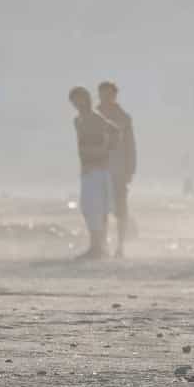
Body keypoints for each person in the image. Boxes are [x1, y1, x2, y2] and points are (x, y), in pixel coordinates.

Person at [70, 87, 120, 260]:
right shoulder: (78, 121)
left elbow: (115, 131)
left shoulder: (95, 118)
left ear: (86, 99)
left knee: (97, 208)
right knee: (89, 208)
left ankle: (98, 247)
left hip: (98, 170)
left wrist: (105, 150)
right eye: (74, 101)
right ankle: (97, 246)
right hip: (86, 170)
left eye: (79, 99)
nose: (77, 104)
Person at [96, 81, 137, 258]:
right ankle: (102, 245)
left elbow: (130, 145)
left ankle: (120, 246)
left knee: (120, 209)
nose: (105, 97)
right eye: (102, 94)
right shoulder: (94, 115)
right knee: (101, 209)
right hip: (99, 168)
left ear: (114, 95)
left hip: (119, 169)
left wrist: (130, 169)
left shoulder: (124, 118)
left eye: (108, 94)